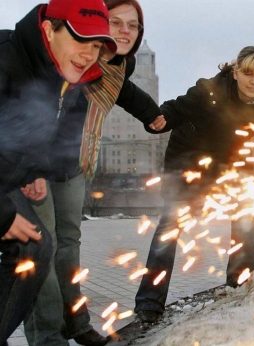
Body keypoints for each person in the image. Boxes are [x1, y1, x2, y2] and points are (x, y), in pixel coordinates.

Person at [22, 0, 165, 345]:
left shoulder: (118, 65)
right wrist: (27, 163)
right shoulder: (73, 51)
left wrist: (151, 114)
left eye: (133, 26)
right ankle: (47, 335)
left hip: (71, 165)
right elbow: (29, 102)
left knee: (68, 246)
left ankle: (76, 322)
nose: (125, 31)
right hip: (32, 163)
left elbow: (122, 92)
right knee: (42, 247)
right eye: (116, 22)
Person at [134, 46, 254, 324]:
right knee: (170, 226)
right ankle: (149, 301)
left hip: (234, 166)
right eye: (248, 73)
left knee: (245, 217)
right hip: (192, 163)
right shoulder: (208, 91)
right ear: (235, 72)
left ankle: (241, 282)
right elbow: (174, 109)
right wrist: (157, 120)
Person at [0, 0, 117, 344]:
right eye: (80, 40)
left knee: (34, 246)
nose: (88, 55)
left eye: (96, 46)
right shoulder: (6, 59)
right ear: (50, 29)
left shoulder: (60, 74)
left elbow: (35, 130)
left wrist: (32, 171)